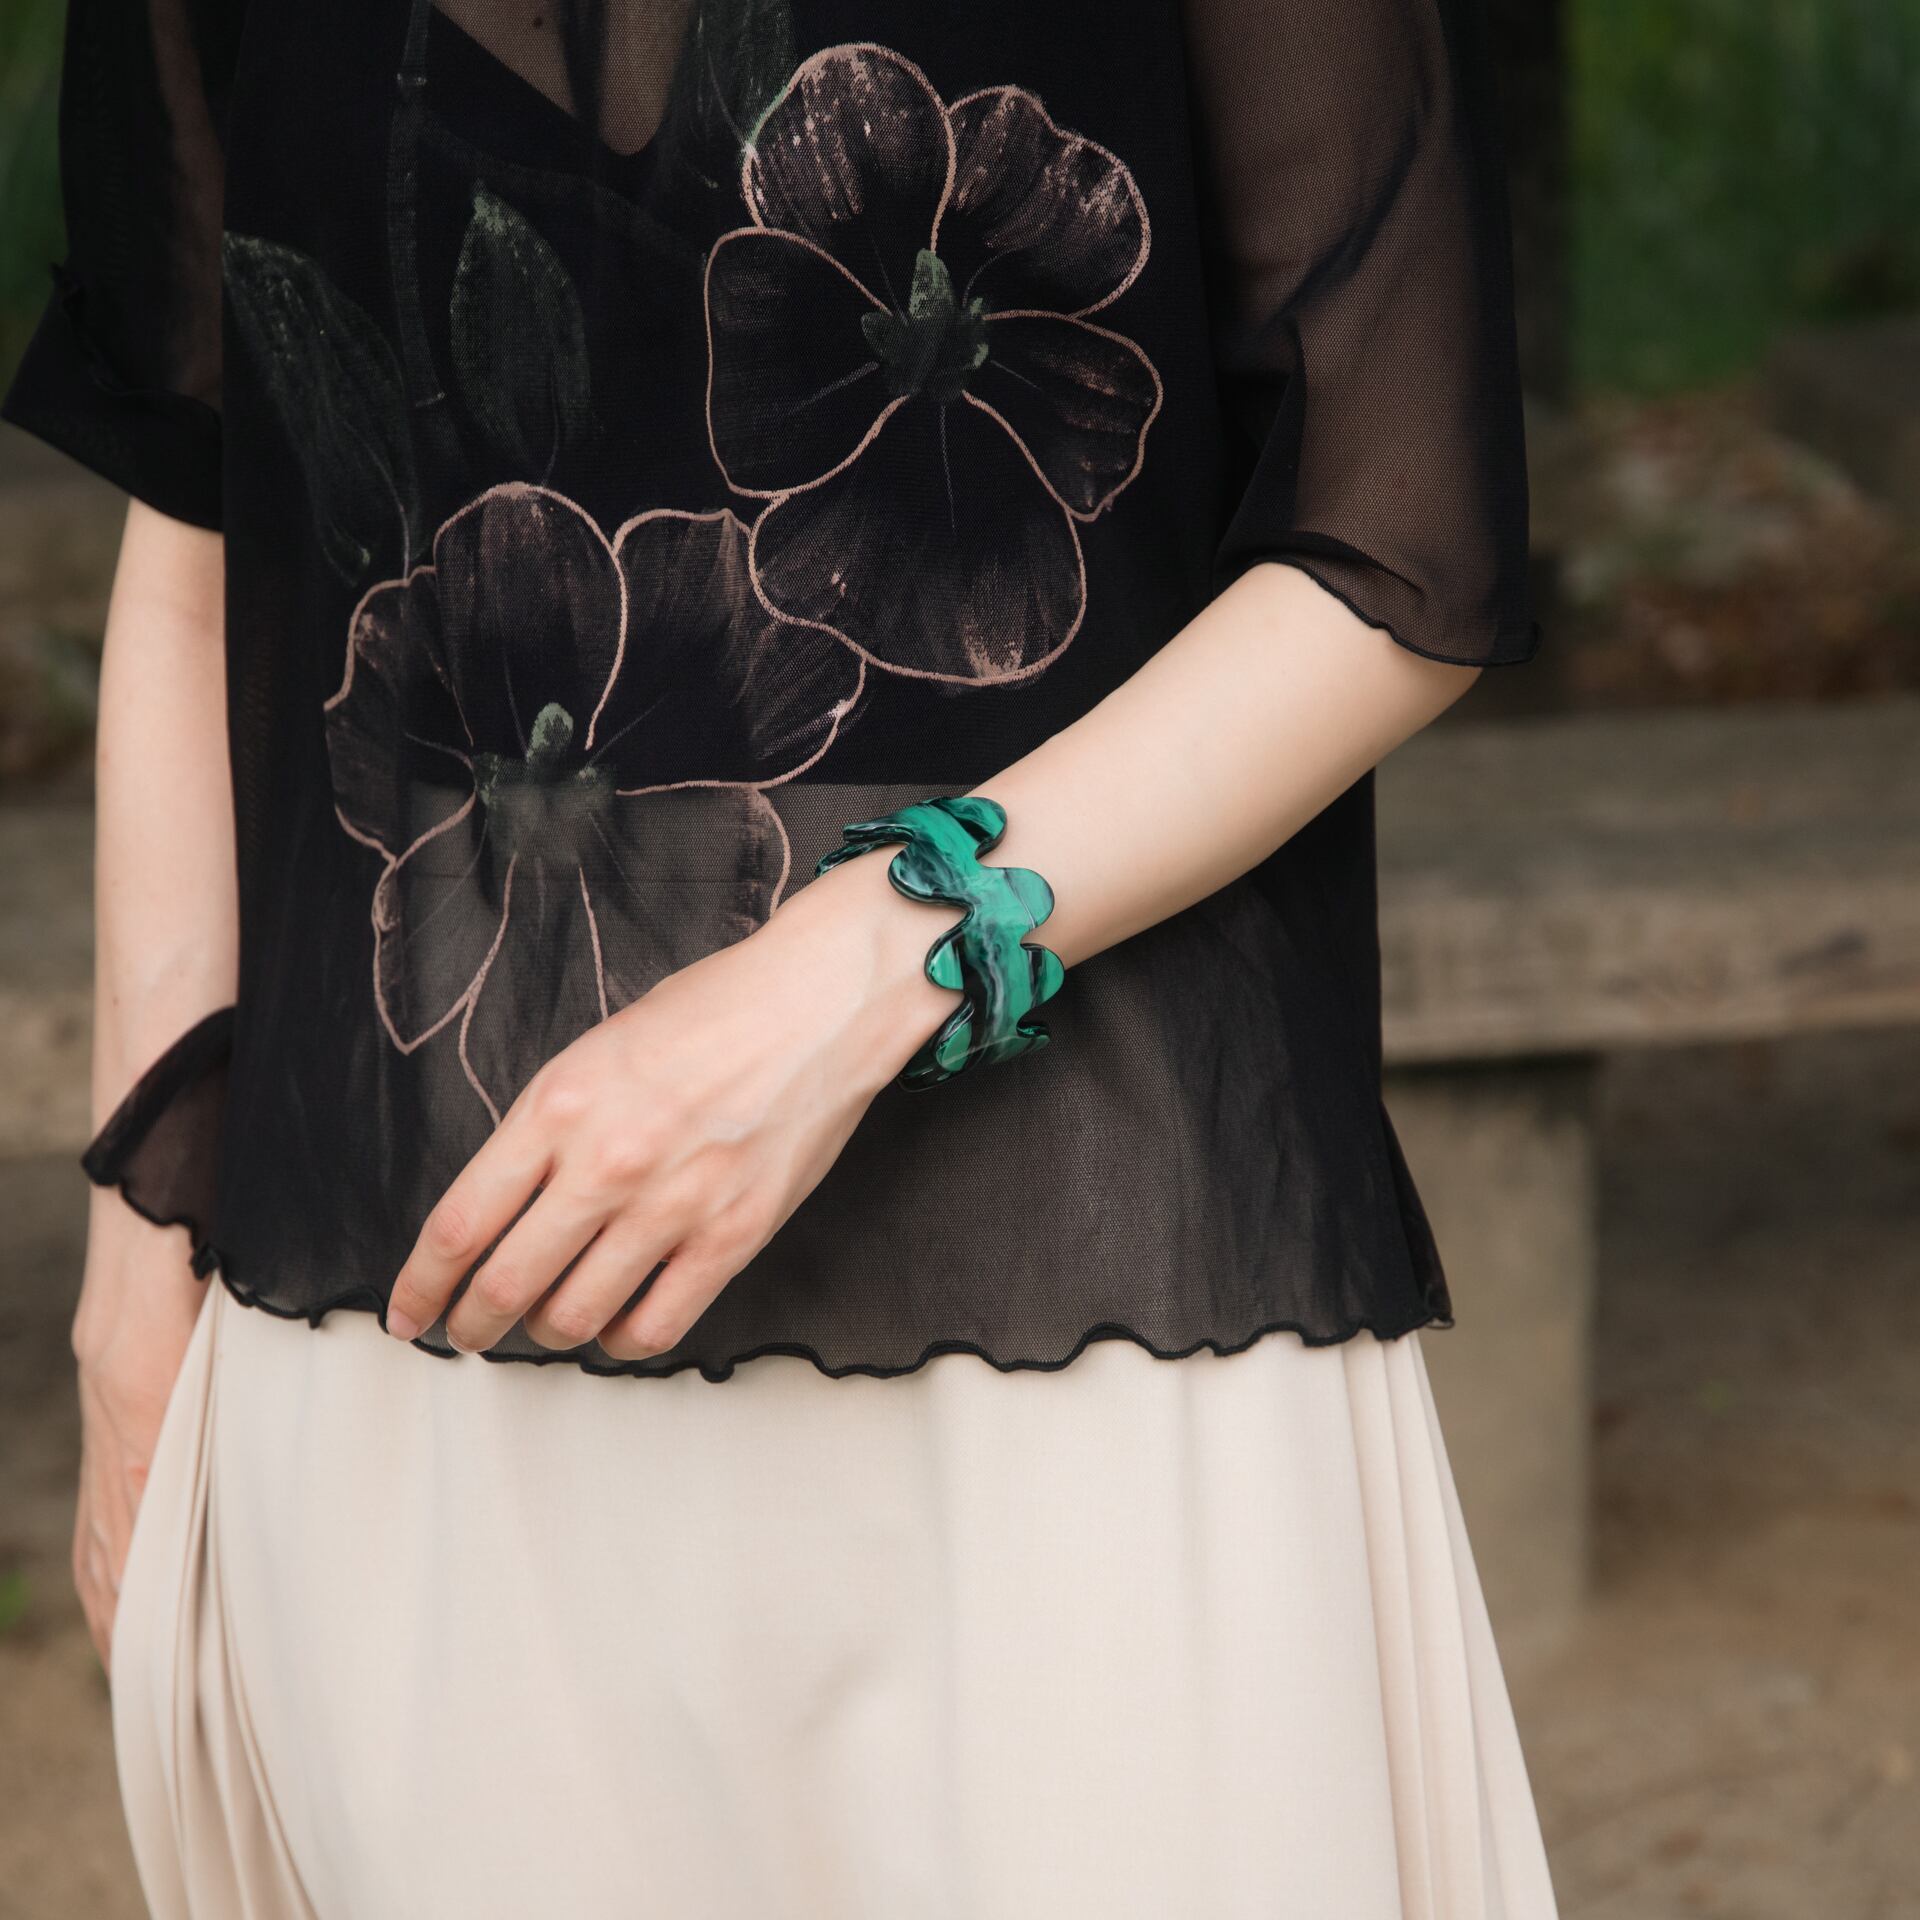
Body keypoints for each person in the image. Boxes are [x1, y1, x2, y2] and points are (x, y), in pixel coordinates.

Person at [4, 0, 1561, 1912]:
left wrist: (867, 964)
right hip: (411, 1351)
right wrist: (135, 1263)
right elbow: (202, 533)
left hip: (1091, 1330)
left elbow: (1393, 558)